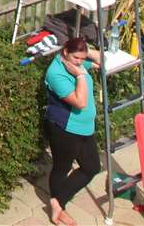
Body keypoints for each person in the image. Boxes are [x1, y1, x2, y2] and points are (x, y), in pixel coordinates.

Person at [44, 37, 102, 226]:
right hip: (64, 129)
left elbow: (102, 61)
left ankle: (57, 202)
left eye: (81, 58)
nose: (79, 61)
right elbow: (80, 102)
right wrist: (79, 75)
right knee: (62, 168)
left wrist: (87, 52)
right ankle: (60, 210)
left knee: (92, 167)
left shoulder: (75, 61)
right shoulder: (56, 73)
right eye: (76, 57)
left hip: (85, 127)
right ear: (65, 52)